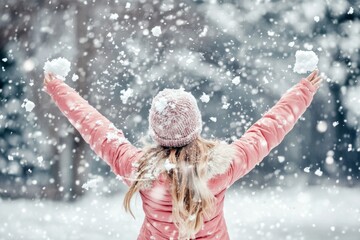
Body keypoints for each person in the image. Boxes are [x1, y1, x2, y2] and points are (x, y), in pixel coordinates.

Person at [43, 70, 322, 240]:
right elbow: (266, 131)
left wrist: (58, 89)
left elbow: (96, 128)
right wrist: (303, 91)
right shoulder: (222, 167)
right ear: (196, 126)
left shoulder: (139, 169)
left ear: (155, 130)